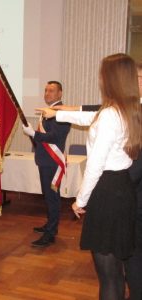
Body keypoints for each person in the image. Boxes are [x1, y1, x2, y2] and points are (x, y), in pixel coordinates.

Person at [38, 53, 142, 300]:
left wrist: (80, 200)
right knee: (116, 270)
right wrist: (59, 113)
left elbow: (95, 164)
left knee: (108, 275)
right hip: (123, 189)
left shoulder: (111, 113)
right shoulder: (128, 111)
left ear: (111, 79)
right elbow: (90, 116)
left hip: (107, 193)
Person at [22, 81, 70, 247]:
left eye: (51, 91)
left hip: (52, 162)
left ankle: (50, 233)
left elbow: (54, 137)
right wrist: (32, 134)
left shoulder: (61, 112)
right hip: (45, 160)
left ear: (60, 94)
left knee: (52, 197)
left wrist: (33, 133)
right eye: (45, 90)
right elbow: (42, 139)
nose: (47, 93)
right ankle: (50, 225)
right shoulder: (49, 111)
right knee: (49, 196)